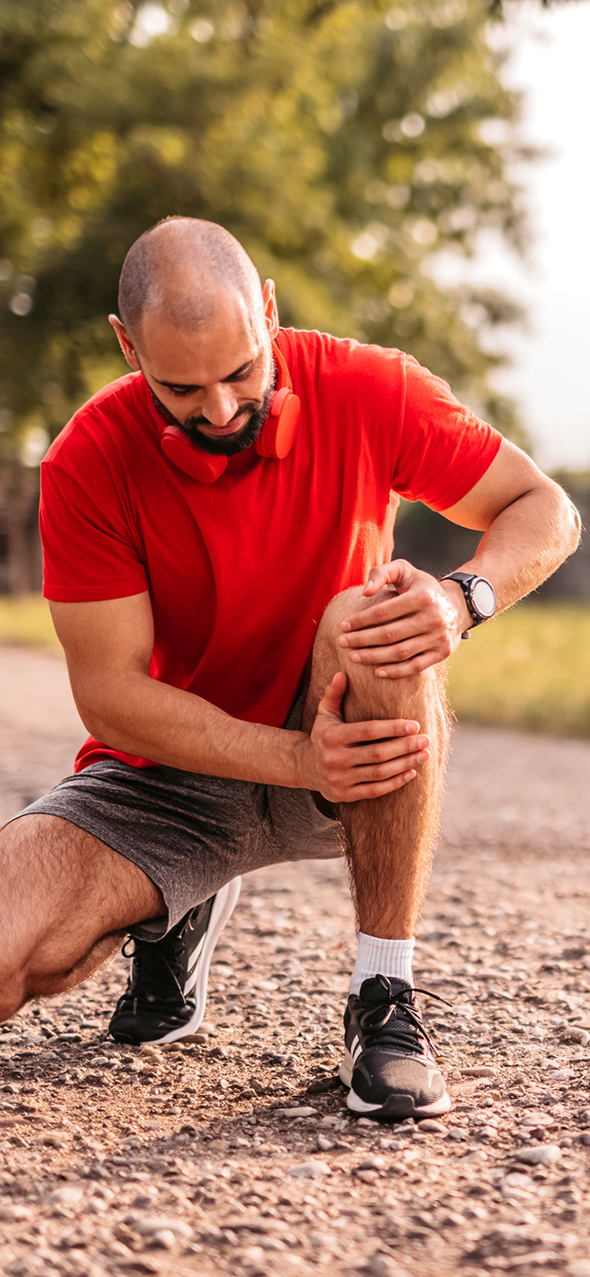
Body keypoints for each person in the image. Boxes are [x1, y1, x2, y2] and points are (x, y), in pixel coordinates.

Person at [0, 218, 579, 1122]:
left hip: (344, 732)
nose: (221, 410)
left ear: (267, 310)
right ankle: (173, 915)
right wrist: (289, 760)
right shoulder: (86, 456)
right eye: (181, 387)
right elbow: (111, 695)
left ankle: (385, 999)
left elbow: (543, 507)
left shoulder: (369, 386)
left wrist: (462, 597)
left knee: (378, 614)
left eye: (242, 371)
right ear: (127, 347)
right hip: (173, 777)